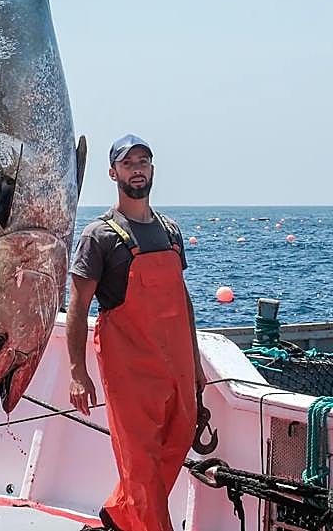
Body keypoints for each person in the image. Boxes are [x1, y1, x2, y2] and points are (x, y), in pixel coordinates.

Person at [66, 134, 206, 531]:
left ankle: (120, 515)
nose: (137, 169)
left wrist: (195, 365)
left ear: (153, 170)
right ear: (113, 173)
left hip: (176, 366)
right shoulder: (100, 236)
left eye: (143, 162)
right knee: (141, 463)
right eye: (128, 164)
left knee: (175, 446)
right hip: (130, 371)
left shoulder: (171, 231)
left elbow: (184, 301)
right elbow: (78, 307)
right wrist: (78, 372)